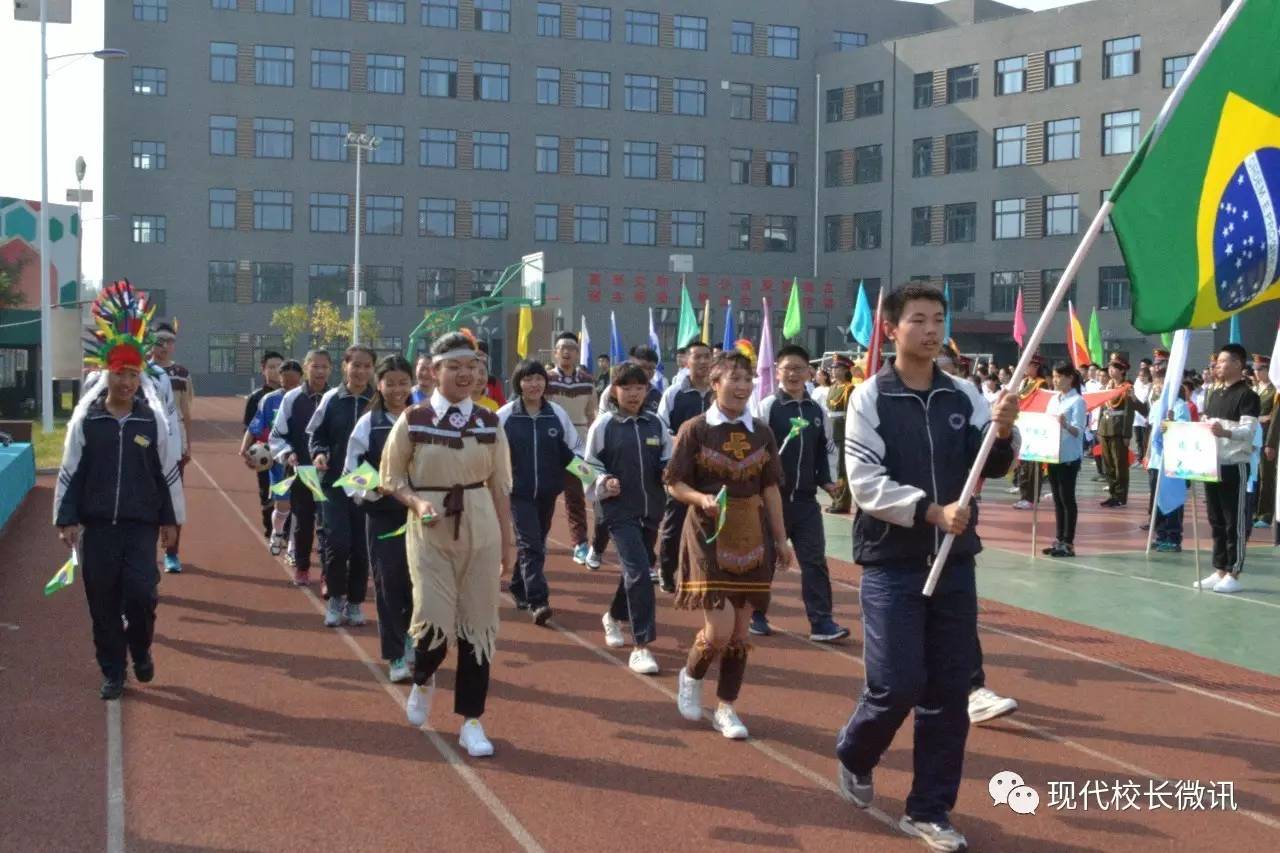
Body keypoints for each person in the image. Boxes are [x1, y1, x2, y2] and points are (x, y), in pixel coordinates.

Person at [834, 284, 1019, 852]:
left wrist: (1005, 430)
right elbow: (865, 484)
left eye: (939, 319)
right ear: (892, 329)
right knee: (896, 685)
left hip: (955, 563)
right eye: (919, 320)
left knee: (947, 691)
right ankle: (855, 751)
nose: (931, 329)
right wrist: (932, 512)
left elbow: (996, 465)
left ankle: (929, 809)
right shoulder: (869, 398)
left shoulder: (964, 395)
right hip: (893, 561)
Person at [381, 331, 514, 756]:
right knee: (433, 619)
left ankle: (471, 721)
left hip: (481, 528)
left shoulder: (491, 422)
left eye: (472, 366)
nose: (465, 374)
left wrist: (509, 544)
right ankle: (422, 679)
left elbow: (500, 489)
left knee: (478, 628)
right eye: (454, 366)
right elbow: (392, 478)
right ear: (434, 371)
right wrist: (417, 502)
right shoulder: (414, 419)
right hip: (430, 529)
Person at [55, 281, 183, 699]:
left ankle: (140, 650)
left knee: (142, 594)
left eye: (132, 374)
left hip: (140, 525)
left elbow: (167, 473)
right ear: (105, 373)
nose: (126, 381)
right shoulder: (88, 422)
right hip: (98, 528)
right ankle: (113, 670)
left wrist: (171, 521)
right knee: (102, 604)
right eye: (119, 373)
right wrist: (67, 517)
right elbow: (71, 470)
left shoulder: (152, 422)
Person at [665, 350, 794, 740]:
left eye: (747, 378)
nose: (742, 386)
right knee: (718, 631)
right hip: (708, 534)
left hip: (751, 533)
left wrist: (781, 538)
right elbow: (674, 482)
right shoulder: (695, 429)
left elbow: (770, 488)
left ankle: (727, 707)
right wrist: (701, 499)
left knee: (741, 633)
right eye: (733, 379)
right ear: (715, 383)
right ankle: (692, 675)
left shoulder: (762, 431)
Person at [756, 344, 848, 641]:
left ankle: (821, 622)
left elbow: (825, 450)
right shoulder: (768, 406)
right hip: (772, 500)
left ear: (809, 372)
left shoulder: (816, 409)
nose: (794, 374)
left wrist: (828, 481)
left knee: (814, 562)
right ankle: (756, 614)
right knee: (765, 559)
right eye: (788, 368)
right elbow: (757, 449)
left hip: (806, 502)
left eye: (799, 368)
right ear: (778, 371)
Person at [584, 362, 671, 674]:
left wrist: (668, 470)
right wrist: (603, 480)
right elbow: (583, 464)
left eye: (639, 387)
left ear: (647, 390)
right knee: (639, 572)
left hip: (651, 509)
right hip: (618, 510)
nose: (633, 393)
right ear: (614, 390)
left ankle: (612, 616)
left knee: (636, 570)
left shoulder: (655, 424)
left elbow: (667, 458)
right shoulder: (604, 425)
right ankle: (642, 645)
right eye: (626, 387)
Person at [345, 355, 415, 683]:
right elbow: (351, 474)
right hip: (384, 517)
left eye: (404, 382)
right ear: (379, 384)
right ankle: (396, 654)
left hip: (421, 517)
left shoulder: (423, 418)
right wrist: (379, 488)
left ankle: (414, 637)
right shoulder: (368, 424)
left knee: (421, 583)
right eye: (391, 382)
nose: (398, 389)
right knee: (389, 583)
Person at [498, 358, 581, 624]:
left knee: (536, 543)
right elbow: (492, 453)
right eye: (528, 379)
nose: (534, 384)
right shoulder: (506, 415)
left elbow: (574, 452)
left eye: (538, 379)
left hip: (547, 491)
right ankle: (539, 600)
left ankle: (518, 585)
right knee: (531, 544)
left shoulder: (556, 413)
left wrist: (597, 480)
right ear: (518, 383)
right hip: (518, 493)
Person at [309, 345, 377, 627]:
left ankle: (356, 602)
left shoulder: (379, 400)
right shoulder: (330, 399)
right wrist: (320, 452)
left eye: (366, 366)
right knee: (337, 542)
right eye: (355, 365)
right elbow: (316, 434)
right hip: (335, 481)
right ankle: (336, 598)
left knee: (362, 547)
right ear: (345, 366)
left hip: (367, 481)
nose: (360, 371)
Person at [1193, 343, 1260, 594]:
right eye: (1216, 362)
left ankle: (1234, 571)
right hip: (1212, 465)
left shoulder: (1247, 396)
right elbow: (1206, 426)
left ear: (1237, 364)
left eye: (1222, 362)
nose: (1217, 366)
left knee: (1235, 521)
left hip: (1234, 464)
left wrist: (1226, 432)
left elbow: (1248, 431)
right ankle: (1219, 568)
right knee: (1216, 519)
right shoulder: (1213, 393)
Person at [269, 349, 332, 586]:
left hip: (329, 474)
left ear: (331, 369)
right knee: (303, 522)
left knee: (327, 525)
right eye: (315, 366)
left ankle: (328, 572)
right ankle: (303, 568)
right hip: (302, 471)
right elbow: (277, 435)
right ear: (306, 367)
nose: (320, 371)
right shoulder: (292, 398)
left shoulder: (335, 397)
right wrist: (288, 453)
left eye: (324, 367)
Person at [655, 339, 714, 592]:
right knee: (674, 523)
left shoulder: (719, 392)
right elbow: (660, 427)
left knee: (711, 523)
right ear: (685, 361)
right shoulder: (674, 393)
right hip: (681, 470)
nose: (702, 361)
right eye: (696, 357)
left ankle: (707, 576)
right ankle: (667, 570)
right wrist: (679, 440)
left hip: (713, 470)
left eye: (706, 356)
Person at [543, 332, 597, 565]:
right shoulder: (544, 379)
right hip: (550, 444)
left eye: (571, 348)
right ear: (555, 353)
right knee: (543, 495)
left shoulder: (587, 380)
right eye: (562, 348)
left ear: (577, 353)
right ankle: (539, 538)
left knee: (576, 495)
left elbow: (592, 414)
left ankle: (580, 543)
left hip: (578, 447)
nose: (566, 352)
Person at [241, 360, 302, 557]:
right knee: (283, 505)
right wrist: (244, 449)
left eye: (294, 382)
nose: (289, 386)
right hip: (279, 462)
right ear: (280, 379)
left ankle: (293, 547)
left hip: (304, 461)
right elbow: (255, 425)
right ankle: (277, 533)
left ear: (301, 378)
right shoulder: (269, 400)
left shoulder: (308, 399)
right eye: (285, 382)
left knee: (301, 508)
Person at [150, 321, 193, 574]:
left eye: (168, 341)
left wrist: (188, 444)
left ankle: (172, 553)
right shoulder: (142, 370)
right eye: (158, 340)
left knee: (172, 497)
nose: (163, 346)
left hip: (175, 442)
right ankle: (145, 549)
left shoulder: (180, 373)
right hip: (146, 443)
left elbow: (186, 412)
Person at [1041, 363, 1086, 558]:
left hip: (1069, 455)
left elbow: (1079, 431)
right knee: (1058, 499)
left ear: (1070, 378)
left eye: (1059, 376)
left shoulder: (1077, 401)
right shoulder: (1053, 399)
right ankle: (1059, 539)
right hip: (1052, 453)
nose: (1055, 380)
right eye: (1054, 376)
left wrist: (1065, 424)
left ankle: (1069, 542)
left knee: (1067, 498)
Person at [1097, 354, 1148, 507]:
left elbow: (1128, 411)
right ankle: (1112, 493)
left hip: (1118, 430)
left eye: (1114, 368)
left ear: (1122, 371)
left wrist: (1127, 434)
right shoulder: (1107, 386)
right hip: (1105, 429)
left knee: (1120, 465)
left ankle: (1120, 496)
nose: (1111, 371)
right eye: (1110, 368)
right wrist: (1099, 430)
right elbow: (1102, 408)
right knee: (1108, 464)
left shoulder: (1126, 387)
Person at [243, 351, 284, 538]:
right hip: (264, 454)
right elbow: (249, 427)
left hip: (286, 453)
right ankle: (270, 528)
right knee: (267, 492)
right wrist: (248, 451)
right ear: (263, 370)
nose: (276, 371)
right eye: (271, 367)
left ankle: (285, 529)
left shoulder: (292, 395)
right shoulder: (256, 397)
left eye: (280, 367)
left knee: (287, 493)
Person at [824, 356, 855, 514]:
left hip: (842, 431)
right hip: (832, 430)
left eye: (837, 368)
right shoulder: (833, 387)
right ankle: (836, 499)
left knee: (842, 468)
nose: (833, 371)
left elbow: (850, 413)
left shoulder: (849, 389)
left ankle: (842, 502)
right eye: (832, 368)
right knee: (833, 468)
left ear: (845, 370)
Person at [1252, 354, 1275, 528]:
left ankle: (1266, 514)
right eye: (1255, 368)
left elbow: (1272, 417)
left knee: (1266, 475)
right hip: (1253, 437)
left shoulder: (1275, 390)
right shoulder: (1254, 389)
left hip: (1267, 436)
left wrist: (1261, 418)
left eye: (1260, 369)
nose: (1256, 372)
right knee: (1254, 476)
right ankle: (1254, 511)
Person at [475, 340, 507, 406]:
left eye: (482, 356)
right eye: (477, 355)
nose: (480, 359)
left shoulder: (493, 382)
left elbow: (502, 405)